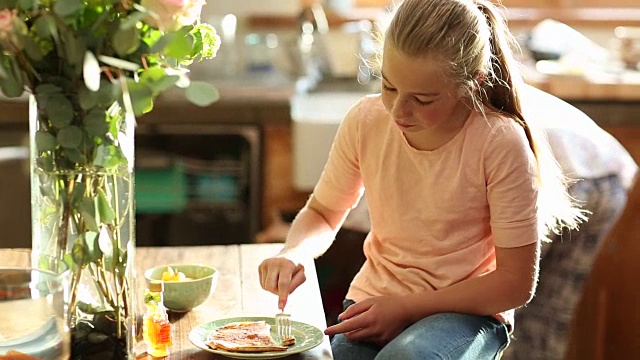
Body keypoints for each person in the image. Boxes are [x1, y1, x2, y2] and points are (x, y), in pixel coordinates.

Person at [258, 0, 586, 359]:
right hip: (376, 299)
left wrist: (406, 308)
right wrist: (295, 251)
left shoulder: (498, 141)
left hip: (466, 314)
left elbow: (515, 284)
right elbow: (323, 212)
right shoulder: (365, 120)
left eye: (423, 99)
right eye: (388, 86)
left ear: (472, 83)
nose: (398, 111)